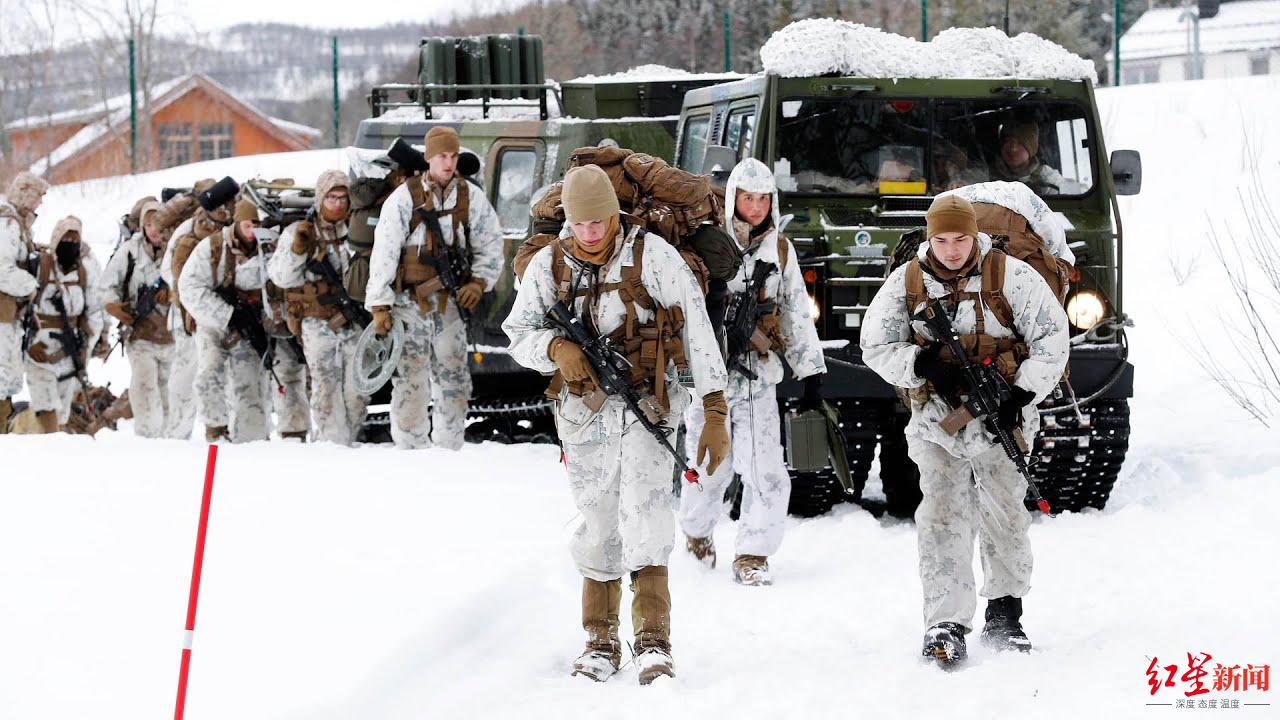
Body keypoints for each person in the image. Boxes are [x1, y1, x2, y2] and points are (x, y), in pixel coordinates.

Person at [503, 164, 730, 685]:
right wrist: (556, 348)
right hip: (584, 414)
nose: (590, 233)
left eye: (599, 222)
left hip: (649, 404)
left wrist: (714, 412)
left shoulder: (654, 256)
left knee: (646, 513)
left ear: (614, 213)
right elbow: (517, 333)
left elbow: (697, 332)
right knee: (597, 519)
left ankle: (653, 641)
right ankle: (599, 641)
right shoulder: (549, 266)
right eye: (580, 224)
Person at [859, 195, 1069, 667]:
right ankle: (945, 622)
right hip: (937, 420)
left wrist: (1021, 394)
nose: (951, 250)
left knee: (1004, 511)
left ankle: (1005, 612)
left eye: (960, 239)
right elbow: (873, 345)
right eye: (941, 239)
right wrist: (922, 363)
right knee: (942, 515)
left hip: (1005, 418)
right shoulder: (909, 282)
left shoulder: (1012, 276)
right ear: (929, 238)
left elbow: (1053, 341)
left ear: (975, 235)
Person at [678, 157, 826, 586]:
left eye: (763, 198)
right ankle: (697, 533)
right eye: (748, 197)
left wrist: (810, 372)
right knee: (708, 466)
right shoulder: (707, 242)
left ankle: (752, 553)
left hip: (758, 377)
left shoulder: (779, 250)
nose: (756, 206)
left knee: (765, 470)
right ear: (733, 198)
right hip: (708, 381)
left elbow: (795, 310)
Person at [364, 126, 503, 449]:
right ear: (428, 158)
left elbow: (490, 244)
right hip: (408, 303)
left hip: (450, 304)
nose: (449, 162)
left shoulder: (470, 197)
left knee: (454, 377)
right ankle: (411, 449)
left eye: (453, 156)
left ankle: (449, 448)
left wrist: (480, 281)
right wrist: (380, 305)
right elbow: (384, 252)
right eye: (442, 156)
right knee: (411, 379)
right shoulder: (404, 198)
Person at [269, 170, 367, 445]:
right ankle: (330, 445)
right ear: (321, 198)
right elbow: (280, 277)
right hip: (316, 322)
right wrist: (298, 251)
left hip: (352, 321)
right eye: (331, 197)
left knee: (356, 390)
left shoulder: (357, 230)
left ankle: (350, 440)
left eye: (343, 198)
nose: (337, 204)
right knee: (325, 388)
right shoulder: (300, 231)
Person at [178, 193, 270, 443]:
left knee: (249, 382)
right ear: (236, 224)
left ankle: (252, 440)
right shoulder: (212, 247)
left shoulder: (268, 249)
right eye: (247, 226)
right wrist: (227, 315)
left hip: (252, 324)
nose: (251, 232)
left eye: (256, 226)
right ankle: (215, 431)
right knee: (209, 374)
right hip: (213, 323)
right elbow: (188, 287)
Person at [162, 178, 230, 439]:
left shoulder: (231, 227)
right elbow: (170, 270)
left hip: (218, 313)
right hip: (188, 315)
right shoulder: (188, 230)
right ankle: (178, 433)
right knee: (187, 374)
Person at [23, 216, 103, 432]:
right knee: (45, 409)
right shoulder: (41, 266)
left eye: (74, 239)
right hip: (39, 350)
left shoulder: (84, 272)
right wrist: (28, 344)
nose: (69, 243)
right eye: (65, 238)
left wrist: (87, 346)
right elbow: (21, 308)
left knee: (62, 413)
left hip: (69, 353)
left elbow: (94, 313)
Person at [103, 199, 174, 437]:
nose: (154, 229)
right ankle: (147, 438)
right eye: (148, 224)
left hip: (172, 335)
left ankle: (170, 441)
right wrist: (114, 306)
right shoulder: (130, 251)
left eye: (158, 223)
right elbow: (106, 285)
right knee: (145, 387)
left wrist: (173, 294)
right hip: (141, 333)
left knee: (169, 392)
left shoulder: (176, 248)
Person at [0, 171, 49, 433]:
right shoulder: (7, 225)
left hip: (10, 314)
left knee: (7, 374)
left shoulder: (16, 225)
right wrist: (30, 286)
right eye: (38, 197)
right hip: (3, 314)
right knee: (2, 374)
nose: (40, 203)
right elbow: (2, 269)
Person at [992, 122, 1065, 196]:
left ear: (1032, 148)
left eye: (1021, 142)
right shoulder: (989, 178)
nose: (1013, 148)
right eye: (1008, 141)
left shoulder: (1048, 178)